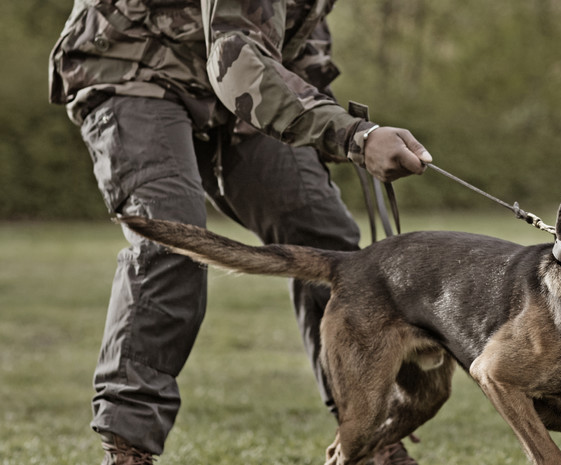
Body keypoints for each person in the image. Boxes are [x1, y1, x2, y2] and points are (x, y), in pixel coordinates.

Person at [49, 1, 432, 464]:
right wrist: (356, 136)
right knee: (172, 242)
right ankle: (128, 448)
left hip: (230, 92)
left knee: (330, 247)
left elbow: (297, 47)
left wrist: (346, 133)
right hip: (132, 67)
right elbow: (236, 59)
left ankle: (366, 439)